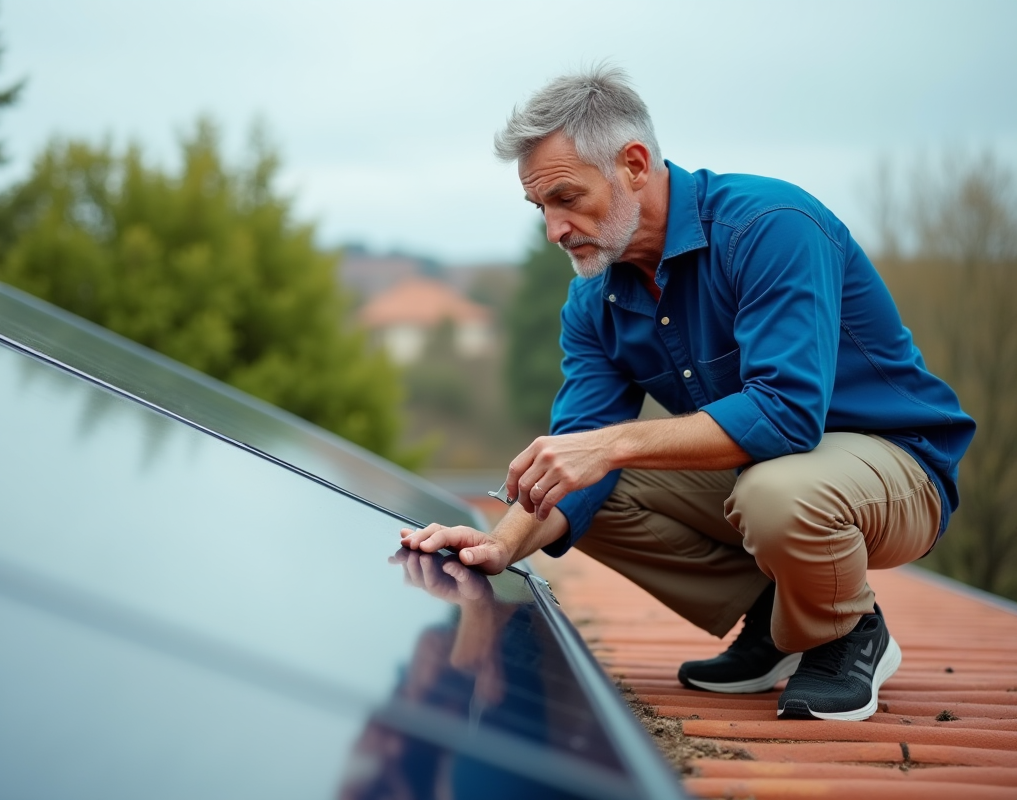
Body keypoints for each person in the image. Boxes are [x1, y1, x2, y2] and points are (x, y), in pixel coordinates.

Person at [399, 66, 975, 722]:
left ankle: (845, 634)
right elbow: (575, 455)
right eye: (541, 209)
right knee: (585, 487)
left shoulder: (769, 227)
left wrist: (612, 444)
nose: (554, 230)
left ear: (635, 164)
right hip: (773, 471)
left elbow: (787, 415)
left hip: (898, 469)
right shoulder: (595, 299)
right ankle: (778, 618)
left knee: (770, 492)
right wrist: (498, 545)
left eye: (566, 198)